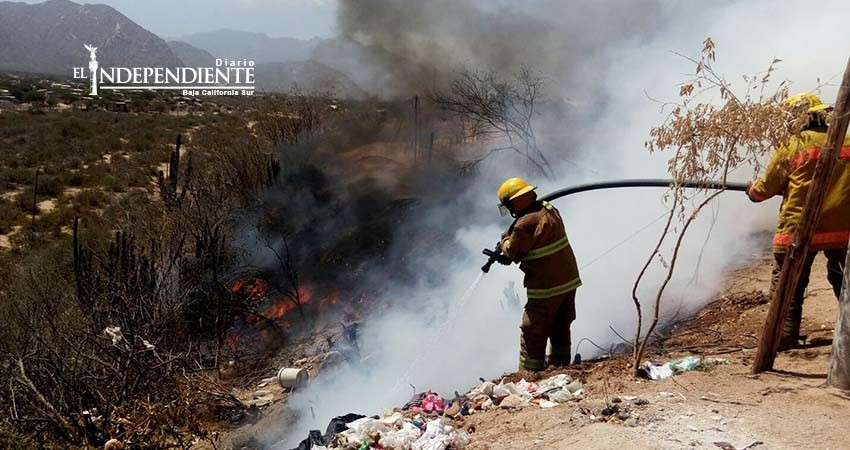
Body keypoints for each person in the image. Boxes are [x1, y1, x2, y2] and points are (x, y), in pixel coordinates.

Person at [747, 92, 850, 350]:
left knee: (788, 286)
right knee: (843, 278)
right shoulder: (846, 141)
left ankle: (783, 337)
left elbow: (762, 191)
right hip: (841, 230)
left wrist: (752, 191)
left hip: (797, 231)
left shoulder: (792, 145)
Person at [494, 177, 582, 370]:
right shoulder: (549, 209)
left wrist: (503, 242)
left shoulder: (524, 224)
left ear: (513, 202)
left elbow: (512, 250)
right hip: (568, 281)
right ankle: (560, 367)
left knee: (532, 331)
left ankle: (529, 374)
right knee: (560, 326)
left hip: (545, 286)